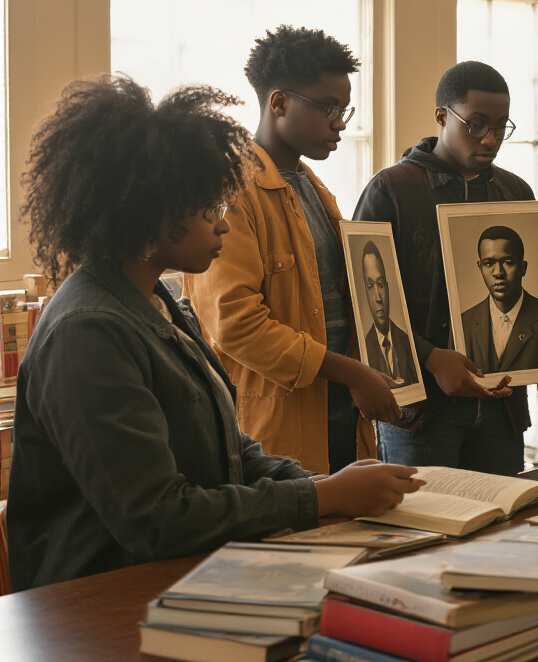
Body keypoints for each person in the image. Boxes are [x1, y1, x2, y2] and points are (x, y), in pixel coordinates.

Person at [8, 76, 423, 591]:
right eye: (209, 209)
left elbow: (232, 450)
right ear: (149, 213)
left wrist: (319, 484)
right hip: (95, 601)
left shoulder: (160, 303)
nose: (224, 226)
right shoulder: (87, 332)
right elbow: (156, 518)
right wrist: (322, 499)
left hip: (186, 577)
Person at [185, 26, 396, 475]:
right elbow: (235, 324)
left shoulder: (314, 189)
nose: (341, 122)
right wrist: (352, 372)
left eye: (345, 109)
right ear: (279, 103)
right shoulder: (230, 192)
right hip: (276, 426)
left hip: (339, 411)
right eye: (329, 109)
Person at [353, 61, 532, 476]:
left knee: (501, 532)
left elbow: (531, 291)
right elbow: (363, 300)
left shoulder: (516, 191)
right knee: (426, 531)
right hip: (421, 411)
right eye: (476, 124)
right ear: (441, 117)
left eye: (501, 126)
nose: (489, 138)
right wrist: (431, 357)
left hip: (500, 405)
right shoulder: (391, 190)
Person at [461, 225, 538, 373]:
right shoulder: (464, 323)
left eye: (508, 262)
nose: (498, 273)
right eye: (488, 263)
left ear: (523, 268)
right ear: (480, 267)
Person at [361, 240, 420, 385]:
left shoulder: (407, 341)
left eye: (380, 285)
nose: (378, 298)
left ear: (387, 288)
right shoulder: (362, 349)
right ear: (365, 293)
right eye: (370, 286)